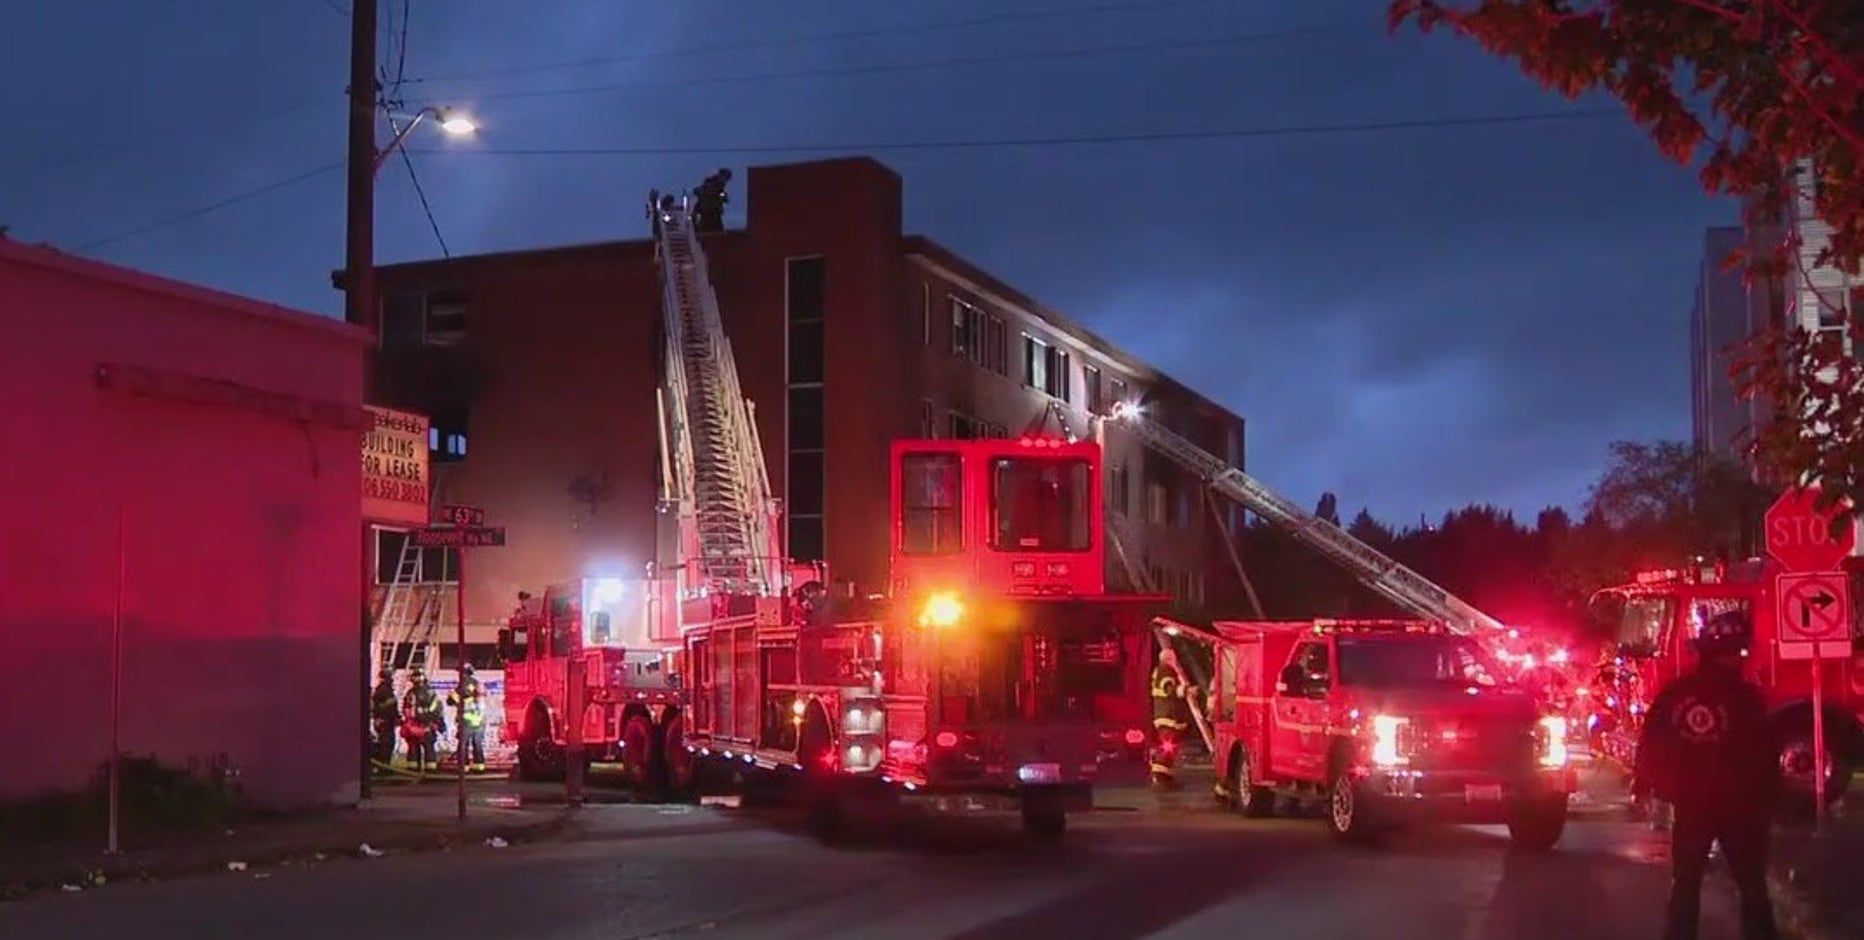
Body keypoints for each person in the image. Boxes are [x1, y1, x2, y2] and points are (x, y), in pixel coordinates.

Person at [1633, 609, 1780, 940]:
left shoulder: (1676, 694)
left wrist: (1649, 784)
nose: (1739, 658)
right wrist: (1771, 799)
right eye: (1737, 651)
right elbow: (1764, 754)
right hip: (1742, 808)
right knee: (1751, 886)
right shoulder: (1746, 698)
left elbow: (1651, 741)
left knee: (1687, 884)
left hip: (1694, 805)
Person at [1149, 646, 1195, 789]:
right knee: (1168, 747)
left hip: (1164, 714)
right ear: (1169, 659)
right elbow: (1168, 689)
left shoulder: (1159, 671)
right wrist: (1187, 690)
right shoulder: (1166, 670)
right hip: (1168, 715)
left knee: (1169, 747)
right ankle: (1161, 776)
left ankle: (1165, 775)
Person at [401, 671, 446, 774]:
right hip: (426, 726)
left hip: (414, 727)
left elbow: (407, 710)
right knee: (428, 748)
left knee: (413, 749)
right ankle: (430, 772)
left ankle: (413, 772)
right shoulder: (430, 692)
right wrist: (438, 723)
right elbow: (438, 709)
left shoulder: (410, 693)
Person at [449, 663, 488, 773]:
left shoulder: (463, 684)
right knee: (477, 744)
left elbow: (452, 701)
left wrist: (452, 695)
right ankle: (479, 767)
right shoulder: (477, 684)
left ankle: (463, 768)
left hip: (466, 720)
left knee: (463, 745)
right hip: (479, 721)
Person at [369, 668, 400, 767]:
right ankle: (383, 766)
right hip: (385, 722)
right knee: (386, 744)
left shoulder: (383, 689)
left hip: (385, 721)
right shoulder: (384, 690)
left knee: (386, 743)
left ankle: (383, 765)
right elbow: (388, 708)